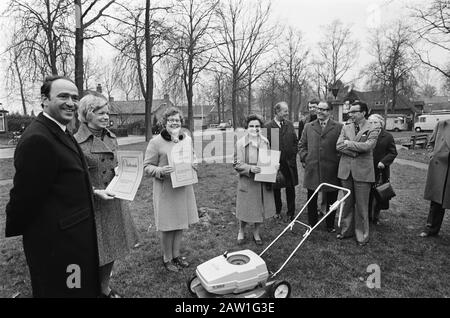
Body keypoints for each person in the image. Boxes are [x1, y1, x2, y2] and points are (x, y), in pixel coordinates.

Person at [5, 76, 100, 297]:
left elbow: (59, 182)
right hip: (60, 247)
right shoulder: (39, 139)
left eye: (75, 97)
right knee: (69, 292)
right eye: (63, 96)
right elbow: (24, 200)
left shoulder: (60, 130)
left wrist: (91, 192)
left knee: (79, 290)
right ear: (44, 100)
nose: (71, 102)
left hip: (73, 239)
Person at [74, 91, 140, 298]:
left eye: (107, 113)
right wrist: (93, 192)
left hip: (113, 199)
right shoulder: (76, 142)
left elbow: (116, 164)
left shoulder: (111, 137)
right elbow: (73, 180)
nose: (106, 117)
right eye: (100, 113)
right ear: (87, 114)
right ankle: (86, 287)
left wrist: (125, 174)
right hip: (91, 204)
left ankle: (104, 287)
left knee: (112, 246)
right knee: (92, 251)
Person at [143, 107, 199, 272]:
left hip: (183, 187)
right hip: (166, 189)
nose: (175, 123)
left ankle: (176, 255)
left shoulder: (186, 139)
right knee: (168, 226)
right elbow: (147, 167)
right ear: (164, 122)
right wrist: (159, 171)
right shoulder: (156, 142)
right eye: (171, 120)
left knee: (180, 223)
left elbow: (192, 156)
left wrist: (194, 163)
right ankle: (167, 258)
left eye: (177, 120)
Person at [336, 101, 380, 246]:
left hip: (363, 172)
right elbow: (338, 145)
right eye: (350, 112)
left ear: (363, 113)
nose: (351, 114)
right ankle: (345, 231)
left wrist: (349, 144)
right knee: (347, 203)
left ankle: (362, 236)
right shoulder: (346, 126)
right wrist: (355, 151)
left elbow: (368, 146)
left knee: (362, 206)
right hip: (346, 171)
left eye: (354, 112)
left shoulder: (373, 127)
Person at [298, 101, 343, 232]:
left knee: (332, 198)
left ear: (330, 112)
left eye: (323, 109)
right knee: (312, 197)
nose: (319, 112)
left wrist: (337, 160)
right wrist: (306, 158)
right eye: (318, 109)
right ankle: (312, 224)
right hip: (313, 169)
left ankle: (330, 224)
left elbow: (342, 146)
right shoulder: (308, 126)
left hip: (332, 169)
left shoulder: (339, 127)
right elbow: (301, 145)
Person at [234, 114, 276, 246]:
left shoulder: (265, 141)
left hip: (262, 182)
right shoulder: (241, 143)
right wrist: (250, 168)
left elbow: (268, 159)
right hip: (247, 181)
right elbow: (236, 164)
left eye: (257, 126)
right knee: (245, 208)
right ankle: (241, 230)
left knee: (259, 208)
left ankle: (256, 232)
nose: (254, 128)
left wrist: (274, 166)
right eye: (251, 126)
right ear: (246, 128)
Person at [265, 101, 299, 222]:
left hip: (289, 163)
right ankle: (277, 210)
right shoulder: (268, 126)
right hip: (275, 165)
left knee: (290, 188)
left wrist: (293, 155)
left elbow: (295, 142)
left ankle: (291, 212)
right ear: (277, 112)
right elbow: (265, 147)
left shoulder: (289, 125)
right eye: (285, 111)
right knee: (276, 189)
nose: (287, 113)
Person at [420, 118, 450, 237]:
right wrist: (432, 154)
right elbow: (430, 143)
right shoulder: (443, 124)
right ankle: (431, 229)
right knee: (437, 201)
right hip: (440, 168)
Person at [367, 114, 398, 225]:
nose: (373, 125)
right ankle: (366, 216)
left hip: (380, 170)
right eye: (370, 122)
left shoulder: (387, 136)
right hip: (366, 169)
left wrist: (383, 162)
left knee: (379, 193)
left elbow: (393, 152)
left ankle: (375, 216)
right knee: (367, 193)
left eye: (375, 122)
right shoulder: (365, 134)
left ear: (381, 124)